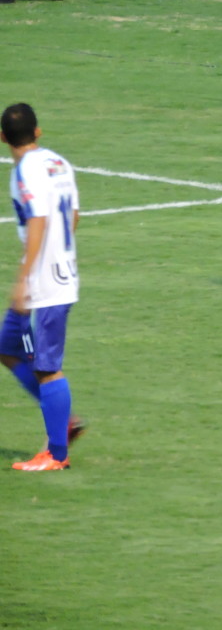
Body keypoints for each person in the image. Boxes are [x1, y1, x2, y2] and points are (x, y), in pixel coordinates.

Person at [1, 103, 81, 471]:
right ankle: (61, 421)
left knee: (47, 366)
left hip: (45, 281)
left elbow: (38, 220)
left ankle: (56, 454)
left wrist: (25, 279)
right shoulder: (58, 163)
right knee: (6, 346)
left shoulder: (24, 172)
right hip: (60, 270)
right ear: (38, 131)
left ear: (3, 138)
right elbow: (74, 216)